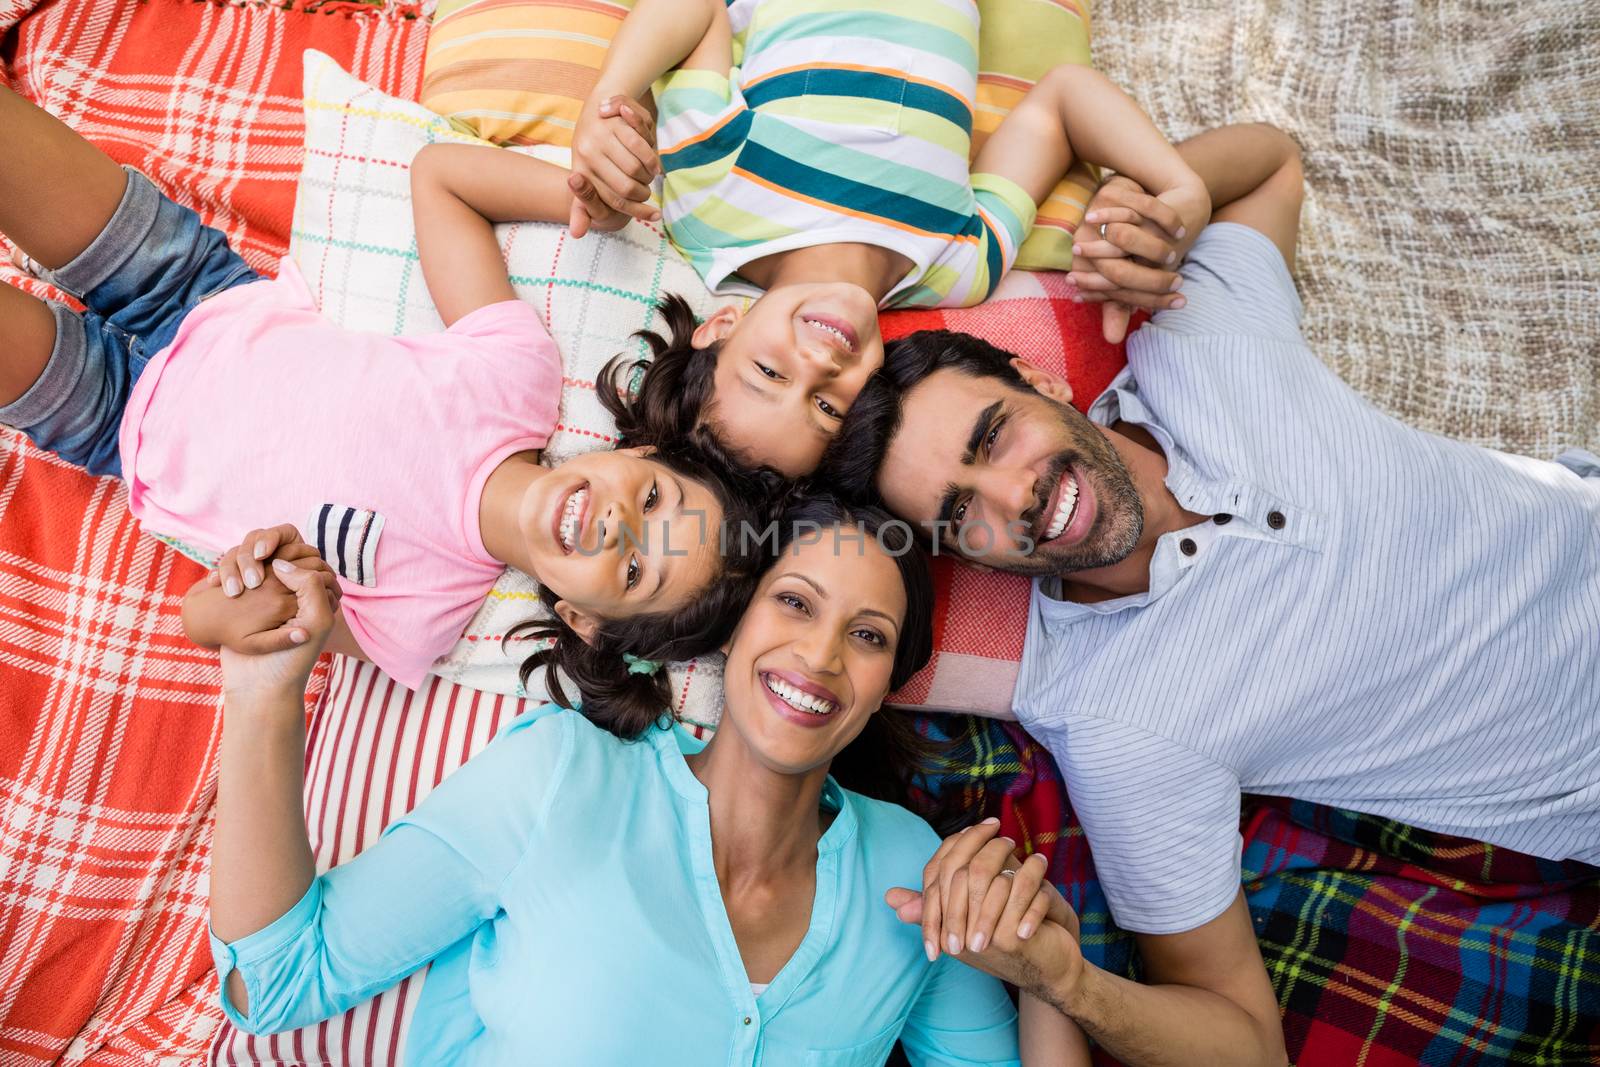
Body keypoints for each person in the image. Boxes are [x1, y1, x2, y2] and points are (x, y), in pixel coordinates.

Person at [823, 117, 1600, 1064]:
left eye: (994, 437)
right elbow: (1245, 1042)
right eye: (960, 514)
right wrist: (1068, 983)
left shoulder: (1195, 338)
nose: (1012, 495)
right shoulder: (1120, 726)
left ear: (1039, 377)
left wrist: (1162, 201)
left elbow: (1270, 164)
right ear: (965, 560)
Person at [202, 495, 1094, 1064]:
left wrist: (1051, 970)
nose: (819, 657)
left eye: (867, 636)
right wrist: (266, 688)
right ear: (734, 628)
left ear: (889, 682)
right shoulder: (561, 776)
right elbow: (274, 982)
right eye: (793, 602)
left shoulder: (909, 866)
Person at [0, 83, 770, 693]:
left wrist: (233, 605)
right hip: (193, 286)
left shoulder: (418, 622)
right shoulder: (515, 379)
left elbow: (211, 621)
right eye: (651, 500)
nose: (614, 525)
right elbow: (440, 178)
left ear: (582, 619)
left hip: (115, 422)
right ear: (641, 452)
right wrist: (580, 205)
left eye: (635, 572)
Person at [547, 0, 1211, 476]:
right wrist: (1182, 190)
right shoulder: (956, 268)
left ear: (721, 326)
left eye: (770, 371)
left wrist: (607, 99)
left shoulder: (711, 211)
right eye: (828, 406)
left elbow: (698, 11)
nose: (817, 366)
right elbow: (1061, 104)